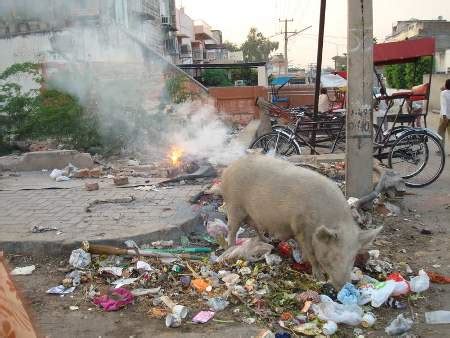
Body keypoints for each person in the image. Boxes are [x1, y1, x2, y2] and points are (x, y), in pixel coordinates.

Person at [437, 79, 450, 148]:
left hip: (444, 117)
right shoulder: (444, 92)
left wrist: (444, 116)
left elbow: (443, 104)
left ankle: (441, 148)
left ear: (446, 85)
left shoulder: (443, 93)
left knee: (441, 133)